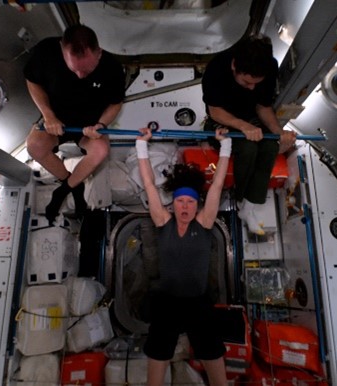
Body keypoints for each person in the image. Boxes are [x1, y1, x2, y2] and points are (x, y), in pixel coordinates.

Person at [136, 127, 229, 386]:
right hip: (166, 305)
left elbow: (218, 184)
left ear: (197, 205)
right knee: (155, 374)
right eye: (180, 202)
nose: (185, 206)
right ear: (172, 204)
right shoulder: (162, 222)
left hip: (198, 303)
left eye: (190, 202)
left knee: (217, 373)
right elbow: (148, 184)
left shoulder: (205, 223)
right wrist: (141, 145)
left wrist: (226, 146)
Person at [24, 24, 125, 225]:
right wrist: (48, 115)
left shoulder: (112, 68)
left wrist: (101, 124)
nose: (80, 75)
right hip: (56, 120)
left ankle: (66, 188)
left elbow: (115, 103)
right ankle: (71, 183)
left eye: (87, 70)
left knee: (101, 150)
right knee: (34, 146)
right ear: (62, 50)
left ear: (99, 53)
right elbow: (32, 81)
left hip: (89, 124)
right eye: (74, 69)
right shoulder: (46, 51)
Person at [202, 34, 297, 235]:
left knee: (270, 146)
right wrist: (244, 127)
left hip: (250, 118)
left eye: (256, 83)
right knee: (247, 148)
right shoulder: (216, 68)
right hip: (220, 121)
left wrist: (280, 133)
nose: (252, 87)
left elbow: (263, 106)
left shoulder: (269, 67)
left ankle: (250, 206)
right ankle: (240, 199)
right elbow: (215, 111)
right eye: (246, 82)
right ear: (234, 66)